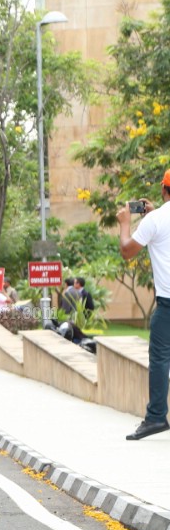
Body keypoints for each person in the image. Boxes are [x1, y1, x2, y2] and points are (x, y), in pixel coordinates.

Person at [119, 180, 170, 440]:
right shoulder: (157, 218)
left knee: (160, 360)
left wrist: (125, 222)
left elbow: (127, 251)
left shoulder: (156, 220)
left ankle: (156, 417)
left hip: (168, 306)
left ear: (164, 189)